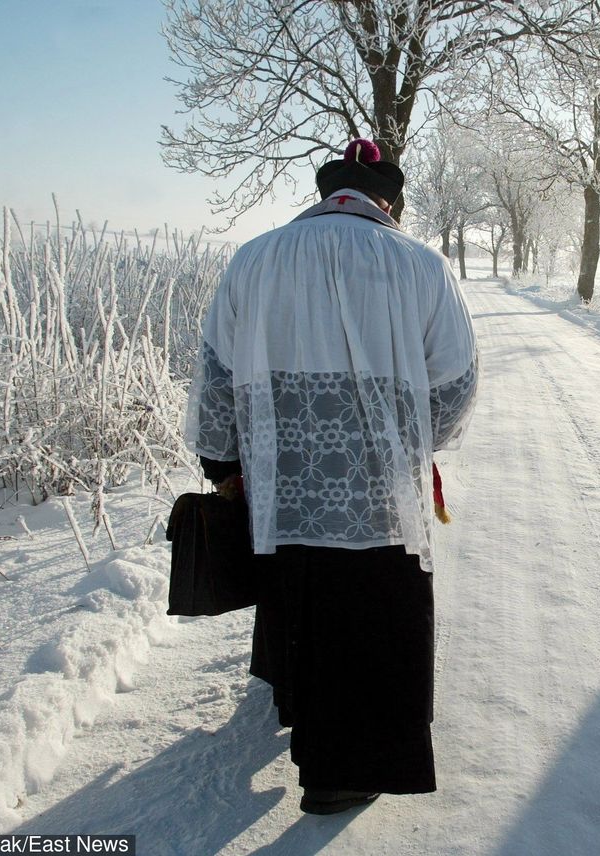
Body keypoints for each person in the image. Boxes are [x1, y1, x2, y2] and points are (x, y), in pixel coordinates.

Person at [186, 138, 479, 815]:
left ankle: (297, 703)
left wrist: (227, 461)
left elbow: (217, 374)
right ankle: (342, 773)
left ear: (329, 193)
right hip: (380, 492)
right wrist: (411, 443)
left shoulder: (255, 258)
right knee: (372, 613)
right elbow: (458, 381)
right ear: (386, 200)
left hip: (281, 477)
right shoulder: (421, 265)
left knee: (302, 594)